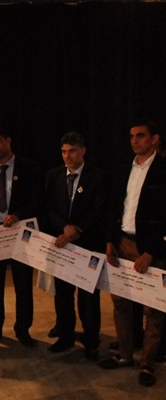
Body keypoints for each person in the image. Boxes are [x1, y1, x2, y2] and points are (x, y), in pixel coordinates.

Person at [99, 120, 166, 386]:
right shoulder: (124, 168)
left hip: (151, 250)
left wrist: (151, 252)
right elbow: (114, 207)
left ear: (154, 139)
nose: (134, 141)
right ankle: (125, 355)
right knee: (121, 304)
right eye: (131, 136)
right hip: (122, 243)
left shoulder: (163, 170)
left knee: (154, 310)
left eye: (140, 136)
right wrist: (110, 241)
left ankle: (148, 363)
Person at [43, 132, 109, 360]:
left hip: (88, 244)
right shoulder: (53, 176)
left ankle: (91, 341)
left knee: (88, 297)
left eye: (72, 151)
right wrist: (64, 228)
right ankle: (66, 336)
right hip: (63, 244)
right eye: (63, 152)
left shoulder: (98, 177)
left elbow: (100, 209)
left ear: (83, 151)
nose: (67, 156)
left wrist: (78, 228)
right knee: (63, 294)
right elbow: (48, 208)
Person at [0, 128, 41, 348]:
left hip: (18, 230)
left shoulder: (28, 168)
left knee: (22, 284)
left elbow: (38, 200)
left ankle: (23, 330)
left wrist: (18, 215)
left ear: (8, 141)